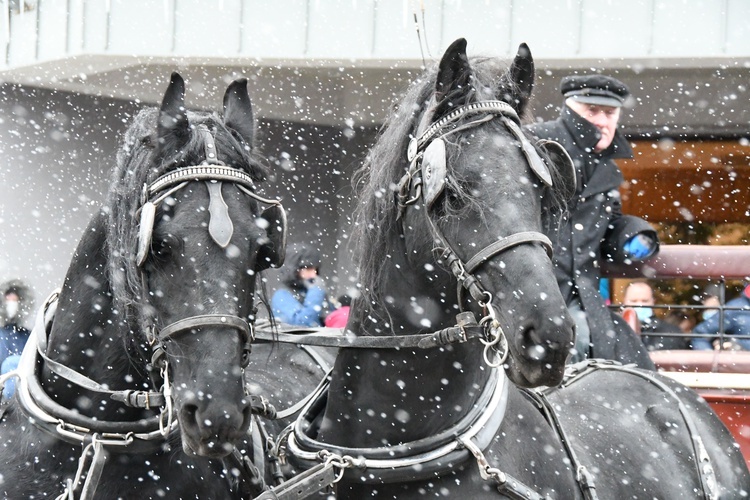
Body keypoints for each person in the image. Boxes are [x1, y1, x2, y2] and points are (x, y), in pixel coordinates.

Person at [526, 74, 659, 369]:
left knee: (634, 365)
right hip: (532, 291)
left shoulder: (604, 168)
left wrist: (633, 236)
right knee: (581, 348)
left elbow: (606, 226)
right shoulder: (534, 146)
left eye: (610, 113)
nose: (602, 120)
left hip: (579, 298)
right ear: (570, 110)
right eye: (591, 111)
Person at [271, 246, 329, 327]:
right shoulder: (282, 295)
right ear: (294, 269)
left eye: (315, 269)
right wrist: (316, 292)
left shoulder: (309, 291)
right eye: (308, 268)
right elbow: (300, 323)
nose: (314, 274)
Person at [622, 281, 689, 350]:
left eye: (645, 301)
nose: (639, 305)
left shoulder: (670, 332)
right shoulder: (615, 328)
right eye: (633, 301)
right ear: (624, 301)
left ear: (653, 301)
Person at [691, 283, 750, 351]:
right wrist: (709, 358)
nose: (704, 302)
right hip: (741, 360)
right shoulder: (736, 308)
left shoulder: (737, 307)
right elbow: (700, 334)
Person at [0, 282, 32, 398]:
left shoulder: (28, 336)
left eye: (15, 300)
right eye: (8, 300)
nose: (12, 304)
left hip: (25, 395)